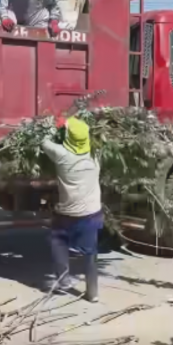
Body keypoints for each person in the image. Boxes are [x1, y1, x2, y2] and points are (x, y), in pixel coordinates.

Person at [42, 117, 103, 302]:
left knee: (57, 240)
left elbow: (44, 141)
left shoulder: (62, 154)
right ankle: (93, 293)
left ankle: (64, 280)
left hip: (68, 213)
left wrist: (54, 127)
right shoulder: (95, 155)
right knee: (90, 252)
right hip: (92, 213)